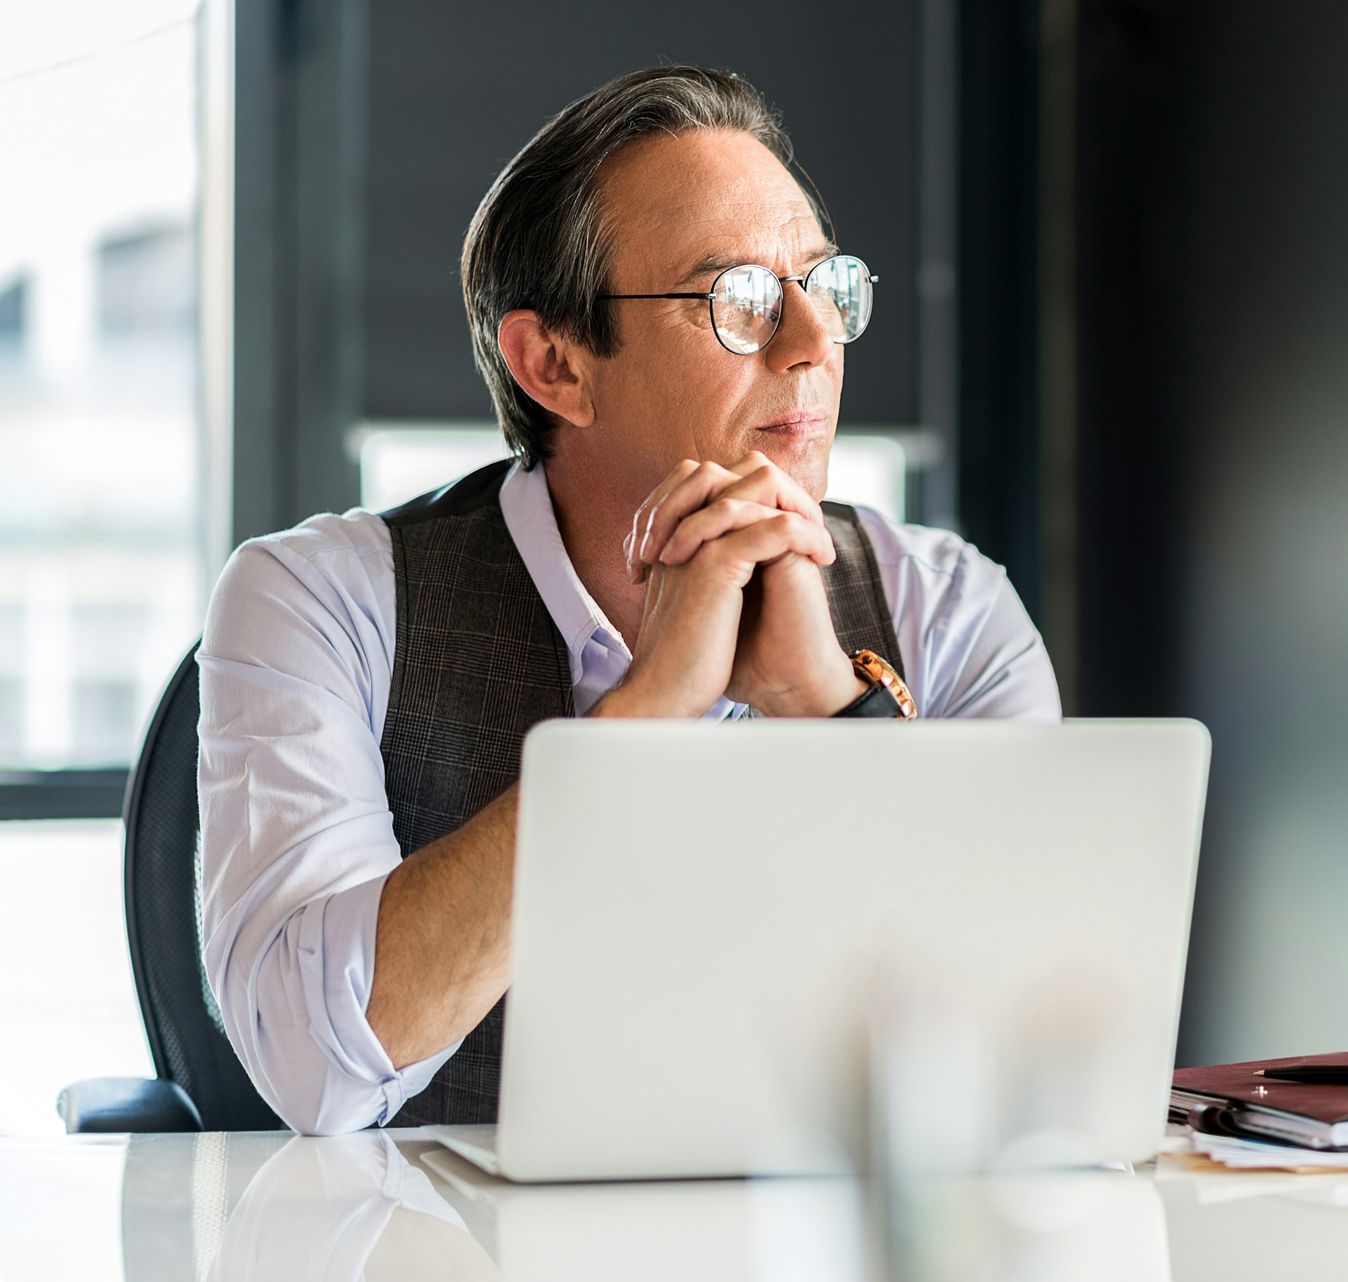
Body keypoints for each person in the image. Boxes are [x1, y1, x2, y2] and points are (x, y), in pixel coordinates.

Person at [198, 65, 1060, 1135]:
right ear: (554, 364)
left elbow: (1029, 1055)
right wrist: (642, 718)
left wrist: (825, 704)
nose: (812, 345)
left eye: (822, 287)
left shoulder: (954, 609)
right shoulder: (317, 600)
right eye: (738, 300)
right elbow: (312, 1071)